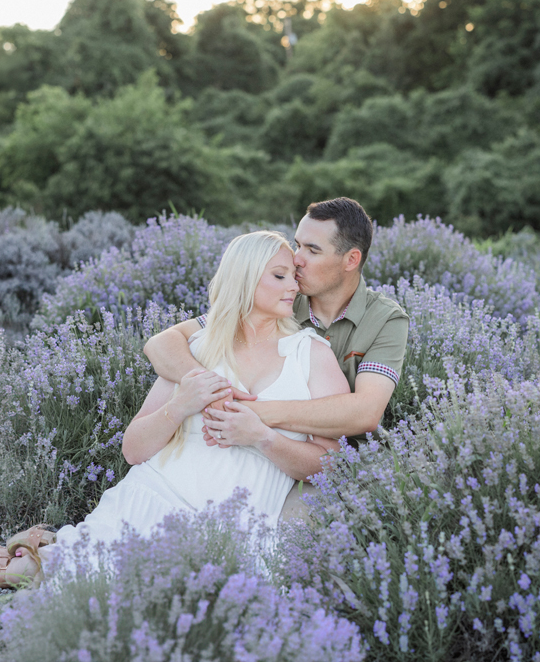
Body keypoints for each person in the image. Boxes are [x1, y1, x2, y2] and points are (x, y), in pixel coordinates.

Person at [0, 230, 350, 590]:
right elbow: (134, 449)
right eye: (278, 276)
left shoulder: (310, 353)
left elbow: (330, 463)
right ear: (243, 279)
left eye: (293, 276)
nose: (293, 287)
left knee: (185, 592)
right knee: (96, 576)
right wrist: (182, 404)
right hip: (159, 496)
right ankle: (20, 563)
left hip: (238, 521)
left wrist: (262, 438)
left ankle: (38, 558)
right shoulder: (197, 350)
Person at [143, 198, 409, 518]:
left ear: (350, 259)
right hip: (254, 446)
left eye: (312, 250)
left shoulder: (386, 320)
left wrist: (250, 412)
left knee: (289, 535)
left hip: (343, 463)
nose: (296, 260)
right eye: (297, 245)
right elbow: (163, 343)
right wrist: (210, 391)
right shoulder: (282, 298)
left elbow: (365, 413)